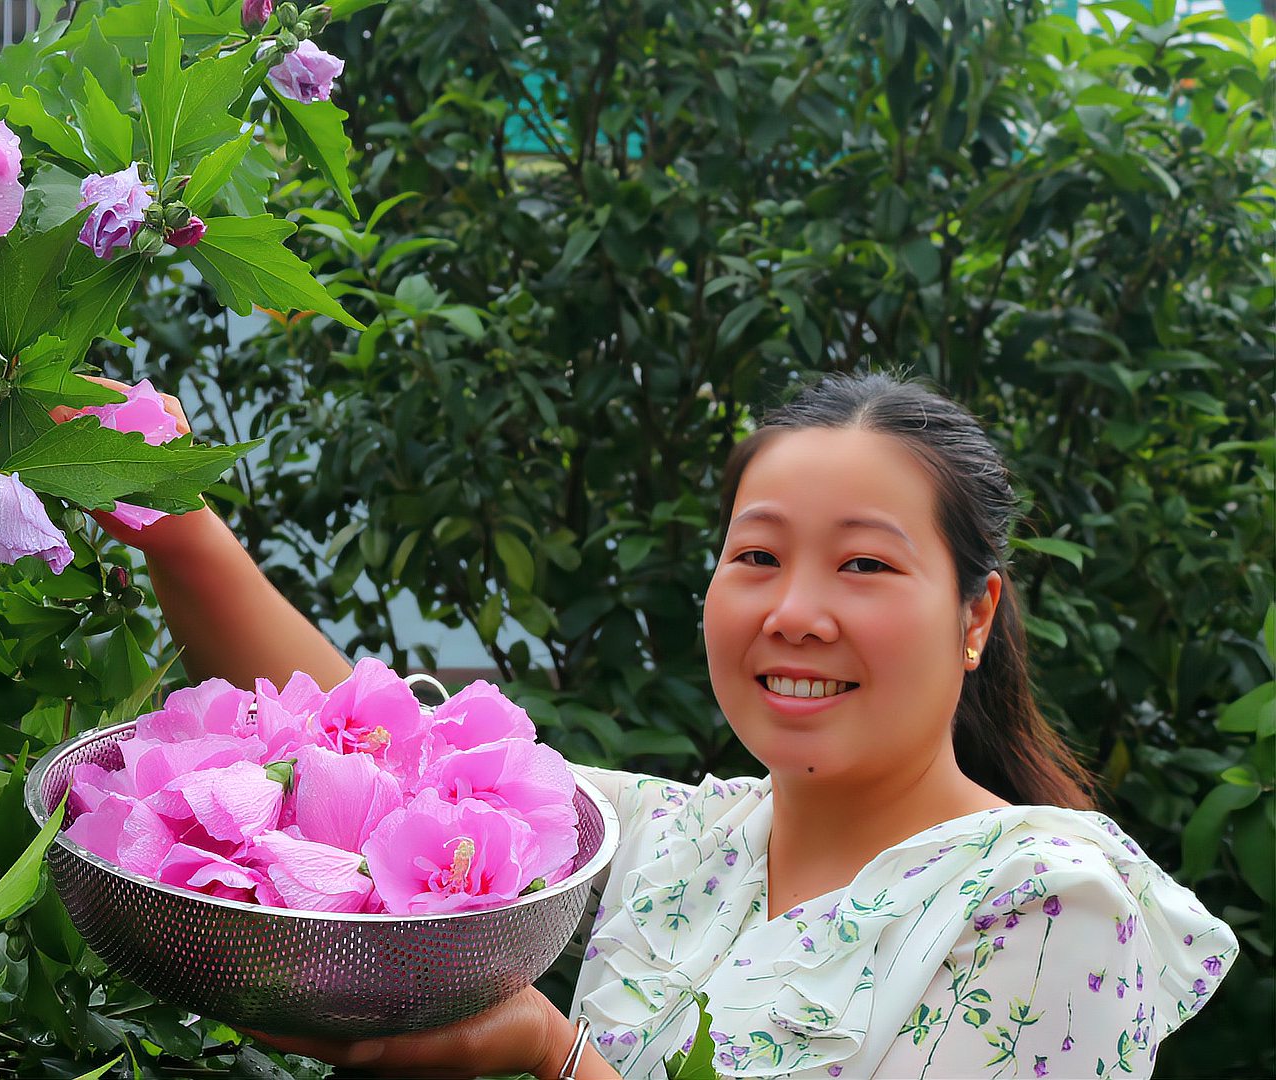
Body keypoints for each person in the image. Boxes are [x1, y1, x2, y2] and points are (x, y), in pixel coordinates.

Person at [71, 371, 1238, 1078]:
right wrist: (177, 520)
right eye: (759, 556)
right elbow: (370, 756)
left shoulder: (1047, 904)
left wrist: (549, 1054)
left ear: (975, 614)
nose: (795, 611)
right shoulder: (684, 843)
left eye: (867, 564)